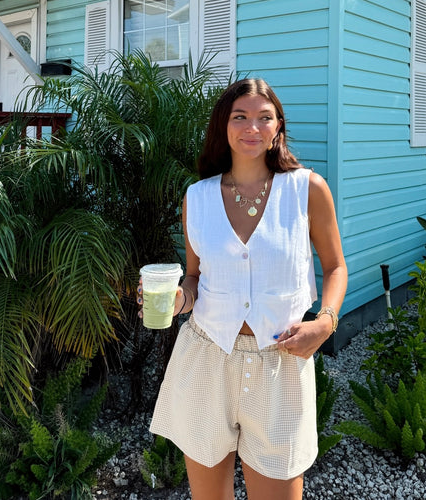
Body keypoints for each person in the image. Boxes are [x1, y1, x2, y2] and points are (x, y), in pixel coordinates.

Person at [138, 78, 347, 500]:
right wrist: (179, 298)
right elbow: (195, 278)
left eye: (263, 118)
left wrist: (325, 322)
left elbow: (336, 266)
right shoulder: (197, 197)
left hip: (280, 365)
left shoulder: (307, 189)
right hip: (206, 359)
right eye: (240, 117)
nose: (252, 127)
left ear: (278, 128)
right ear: (224, 126)